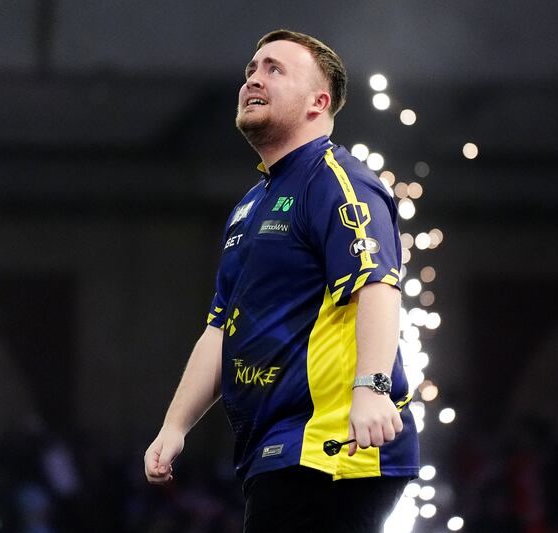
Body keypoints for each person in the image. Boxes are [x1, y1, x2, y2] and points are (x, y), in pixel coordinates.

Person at [144, 29, 419, 533]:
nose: (254, 79)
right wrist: (174, 425)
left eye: (275, 69)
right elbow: (221, 326)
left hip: (335, 447)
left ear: (319, 102)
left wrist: (372, 388)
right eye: (251, 70)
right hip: (274, 452)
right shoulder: (249, 206)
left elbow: (377, 284)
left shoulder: (338, 180)